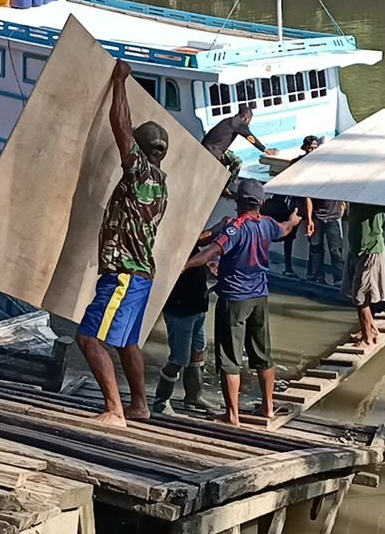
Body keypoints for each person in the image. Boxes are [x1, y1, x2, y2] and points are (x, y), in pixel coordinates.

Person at [76, 60, 169, 427]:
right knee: (128, 341)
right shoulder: (161, 182)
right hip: (142, 275)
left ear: (142, 150)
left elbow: (120, 126)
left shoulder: (139, 171)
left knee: (88, 338)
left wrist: (119, 82)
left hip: (124, 275)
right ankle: (140, 405)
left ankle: (115, 410)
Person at [184, 179, 301, 425]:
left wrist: (183, 265)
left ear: (238, 201)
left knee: (229, 358)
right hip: (260, 296)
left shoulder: (235, 228)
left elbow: (212, 251)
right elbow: (285, 229)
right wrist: (294, 220)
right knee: (262, 353)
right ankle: (268, 409)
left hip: (234, 298)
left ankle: (232, 416)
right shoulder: (268, 225)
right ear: (261, 203)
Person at [152, 243, 214, 415]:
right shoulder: (179, 240)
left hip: (198, 306)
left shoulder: (193, 243)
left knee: (198, 352)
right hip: (180, 310)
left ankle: (194, 396)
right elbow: (201, 238)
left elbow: (201, 241)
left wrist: (207, 266)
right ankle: (161, 400)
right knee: (179, 358)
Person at [263, 135, 319, 277]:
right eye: (310, 147)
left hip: (310, 204)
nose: (312, 150)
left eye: (315, 147)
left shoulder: (318, 163)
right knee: (289, 236)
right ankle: (288, 267)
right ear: (305, 148)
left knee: (312, 239)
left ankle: (310, 271)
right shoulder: (297, 163)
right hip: (297, 204)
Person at [201, 106, 278, 194]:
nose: (249, 124)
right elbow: (250, 138)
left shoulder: (228, 120)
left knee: (229, 156)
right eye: (249, 121)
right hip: (214, 152)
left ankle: (223, 182)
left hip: (207, 147)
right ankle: (225, 187)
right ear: (246, 119)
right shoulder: (240, 124)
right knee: (237, 162)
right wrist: (265, 149)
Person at [342, 202, 385, 347]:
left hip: (370, 250)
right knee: (354, 293)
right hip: (356, 248)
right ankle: (370, 329)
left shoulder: (377, 199)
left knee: (360, 296)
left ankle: (368, 337)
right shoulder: (356, 197)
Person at [306, 193, 345, 285]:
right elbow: (308, 197)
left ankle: (339, 280)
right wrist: (309, 219)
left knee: (336, 250)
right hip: (316, 216)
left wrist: (342, 210)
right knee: (315, 248)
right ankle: (318, 277)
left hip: (334, 217)